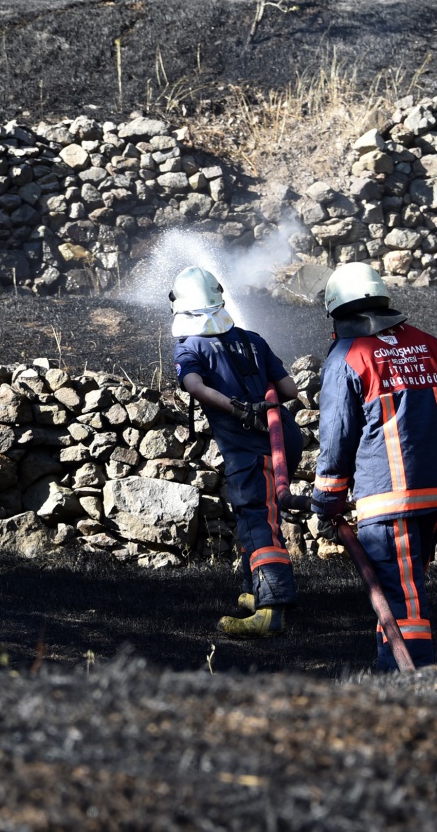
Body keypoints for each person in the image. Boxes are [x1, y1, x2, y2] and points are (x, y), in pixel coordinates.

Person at [310, 262, 437, 669]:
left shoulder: (348, 356)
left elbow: (336, 437)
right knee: (402, 590)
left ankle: (410, 685)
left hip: (388, 502)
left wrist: (327, 502)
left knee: (402, 603)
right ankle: (390, 671)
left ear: (336, 310)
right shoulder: (429, 345)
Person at [171, 266, 304, 638]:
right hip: (283, 439)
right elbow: (289, 390)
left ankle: (271, 610)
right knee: (252, 514)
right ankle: (252, 591)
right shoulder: (252, 339)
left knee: (258, 520)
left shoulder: (190, 346)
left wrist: (236, 408)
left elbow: (194, 385)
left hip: (251, 449)